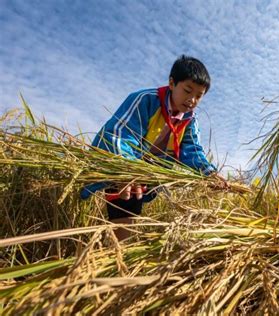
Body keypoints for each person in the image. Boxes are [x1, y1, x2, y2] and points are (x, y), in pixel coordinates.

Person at [82, 55, 227, 240]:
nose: (192, 100)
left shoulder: (190, 120)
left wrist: (208, 173)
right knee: (125, 216)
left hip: (145, 175)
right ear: (172, 83)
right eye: (188, 91)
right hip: (123, 167)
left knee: (131, 218)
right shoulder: (145, 100)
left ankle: (115, 254)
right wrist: (127, 167)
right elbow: (119, 135)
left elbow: (192, 150)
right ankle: (114, 257)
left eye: (198, 96)